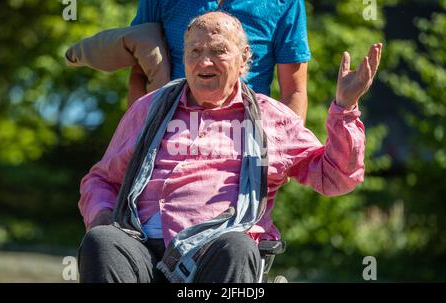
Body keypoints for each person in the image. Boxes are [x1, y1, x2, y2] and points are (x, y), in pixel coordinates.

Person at [77, 11, 382, 283]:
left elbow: (336, 177)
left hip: (214, 251)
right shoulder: (149, 108)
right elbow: (101, 179)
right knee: (102, 241)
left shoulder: (270, 118)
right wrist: (103, 216)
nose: (204, 61)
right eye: (194, 51)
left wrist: (345, 106)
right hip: (141, 244)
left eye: (218, 51)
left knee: (237, 247)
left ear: (244, 59)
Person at [128, 0, 311, 122]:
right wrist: (138, 140)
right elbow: (139, 73)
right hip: (171, 135)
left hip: (247, 139)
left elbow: (294, 91)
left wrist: (285, 160)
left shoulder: (285, 3)